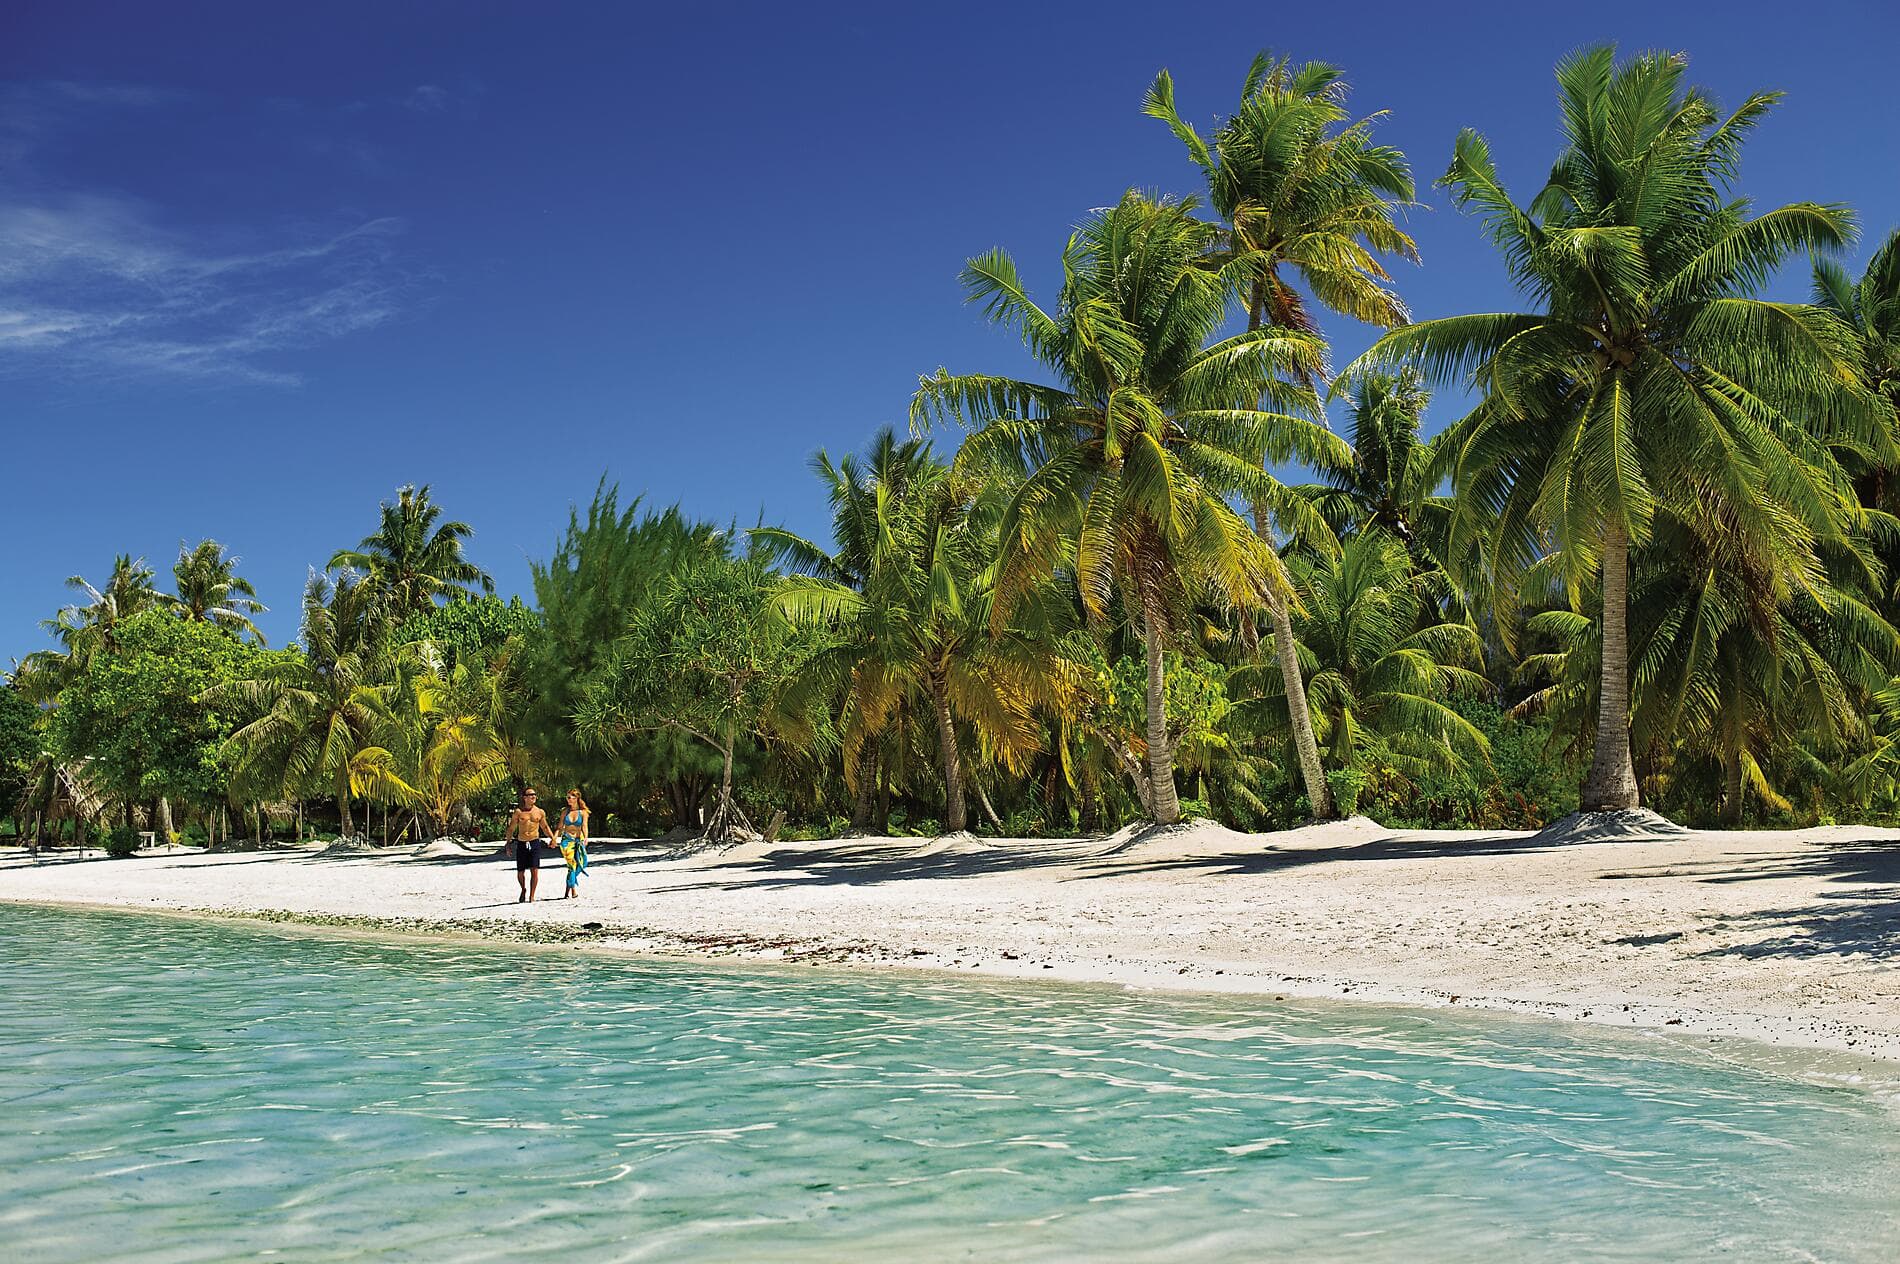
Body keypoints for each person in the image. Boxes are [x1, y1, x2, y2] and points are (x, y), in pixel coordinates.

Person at [505, 788, 555, 903]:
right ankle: (523, 889)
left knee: (535, 870)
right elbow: (511, 828)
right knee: (520, 872)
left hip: (534, 842)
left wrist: (552, 838)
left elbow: (545, 827)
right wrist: (508, 844)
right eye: (530, 795)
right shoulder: (519, 812)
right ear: (525, 797)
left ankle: (532, 896)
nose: (533, 796)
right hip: (522, 843)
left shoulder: (540, 812)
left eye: (534, 794)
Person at [557, 789, 590, 899]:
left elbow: (584, 826)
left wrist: (586, 837)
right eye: (567, 797)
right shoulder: (565, 812)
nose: (568, 799)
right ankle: (573, 890)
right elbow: (560, 827)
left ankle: (567, 890)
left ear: (576, 799)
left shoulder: (583, 813)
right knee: (572, 864)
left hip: (578, 841)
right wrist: (553, 838)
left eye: (570, 797)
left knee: (581, 863)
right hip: (566, 841)